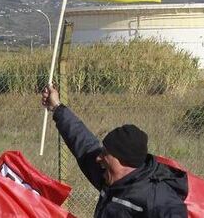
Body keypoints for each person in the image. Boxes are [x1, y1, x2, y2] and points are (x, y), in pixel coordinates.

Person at [41, 86, 188, 217]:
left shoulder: (160, 200)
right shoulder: (110, 178)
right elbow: (84, 143)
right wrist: (57, 107)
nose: (98, 158)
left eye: (105, 153)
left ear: (122, 159)